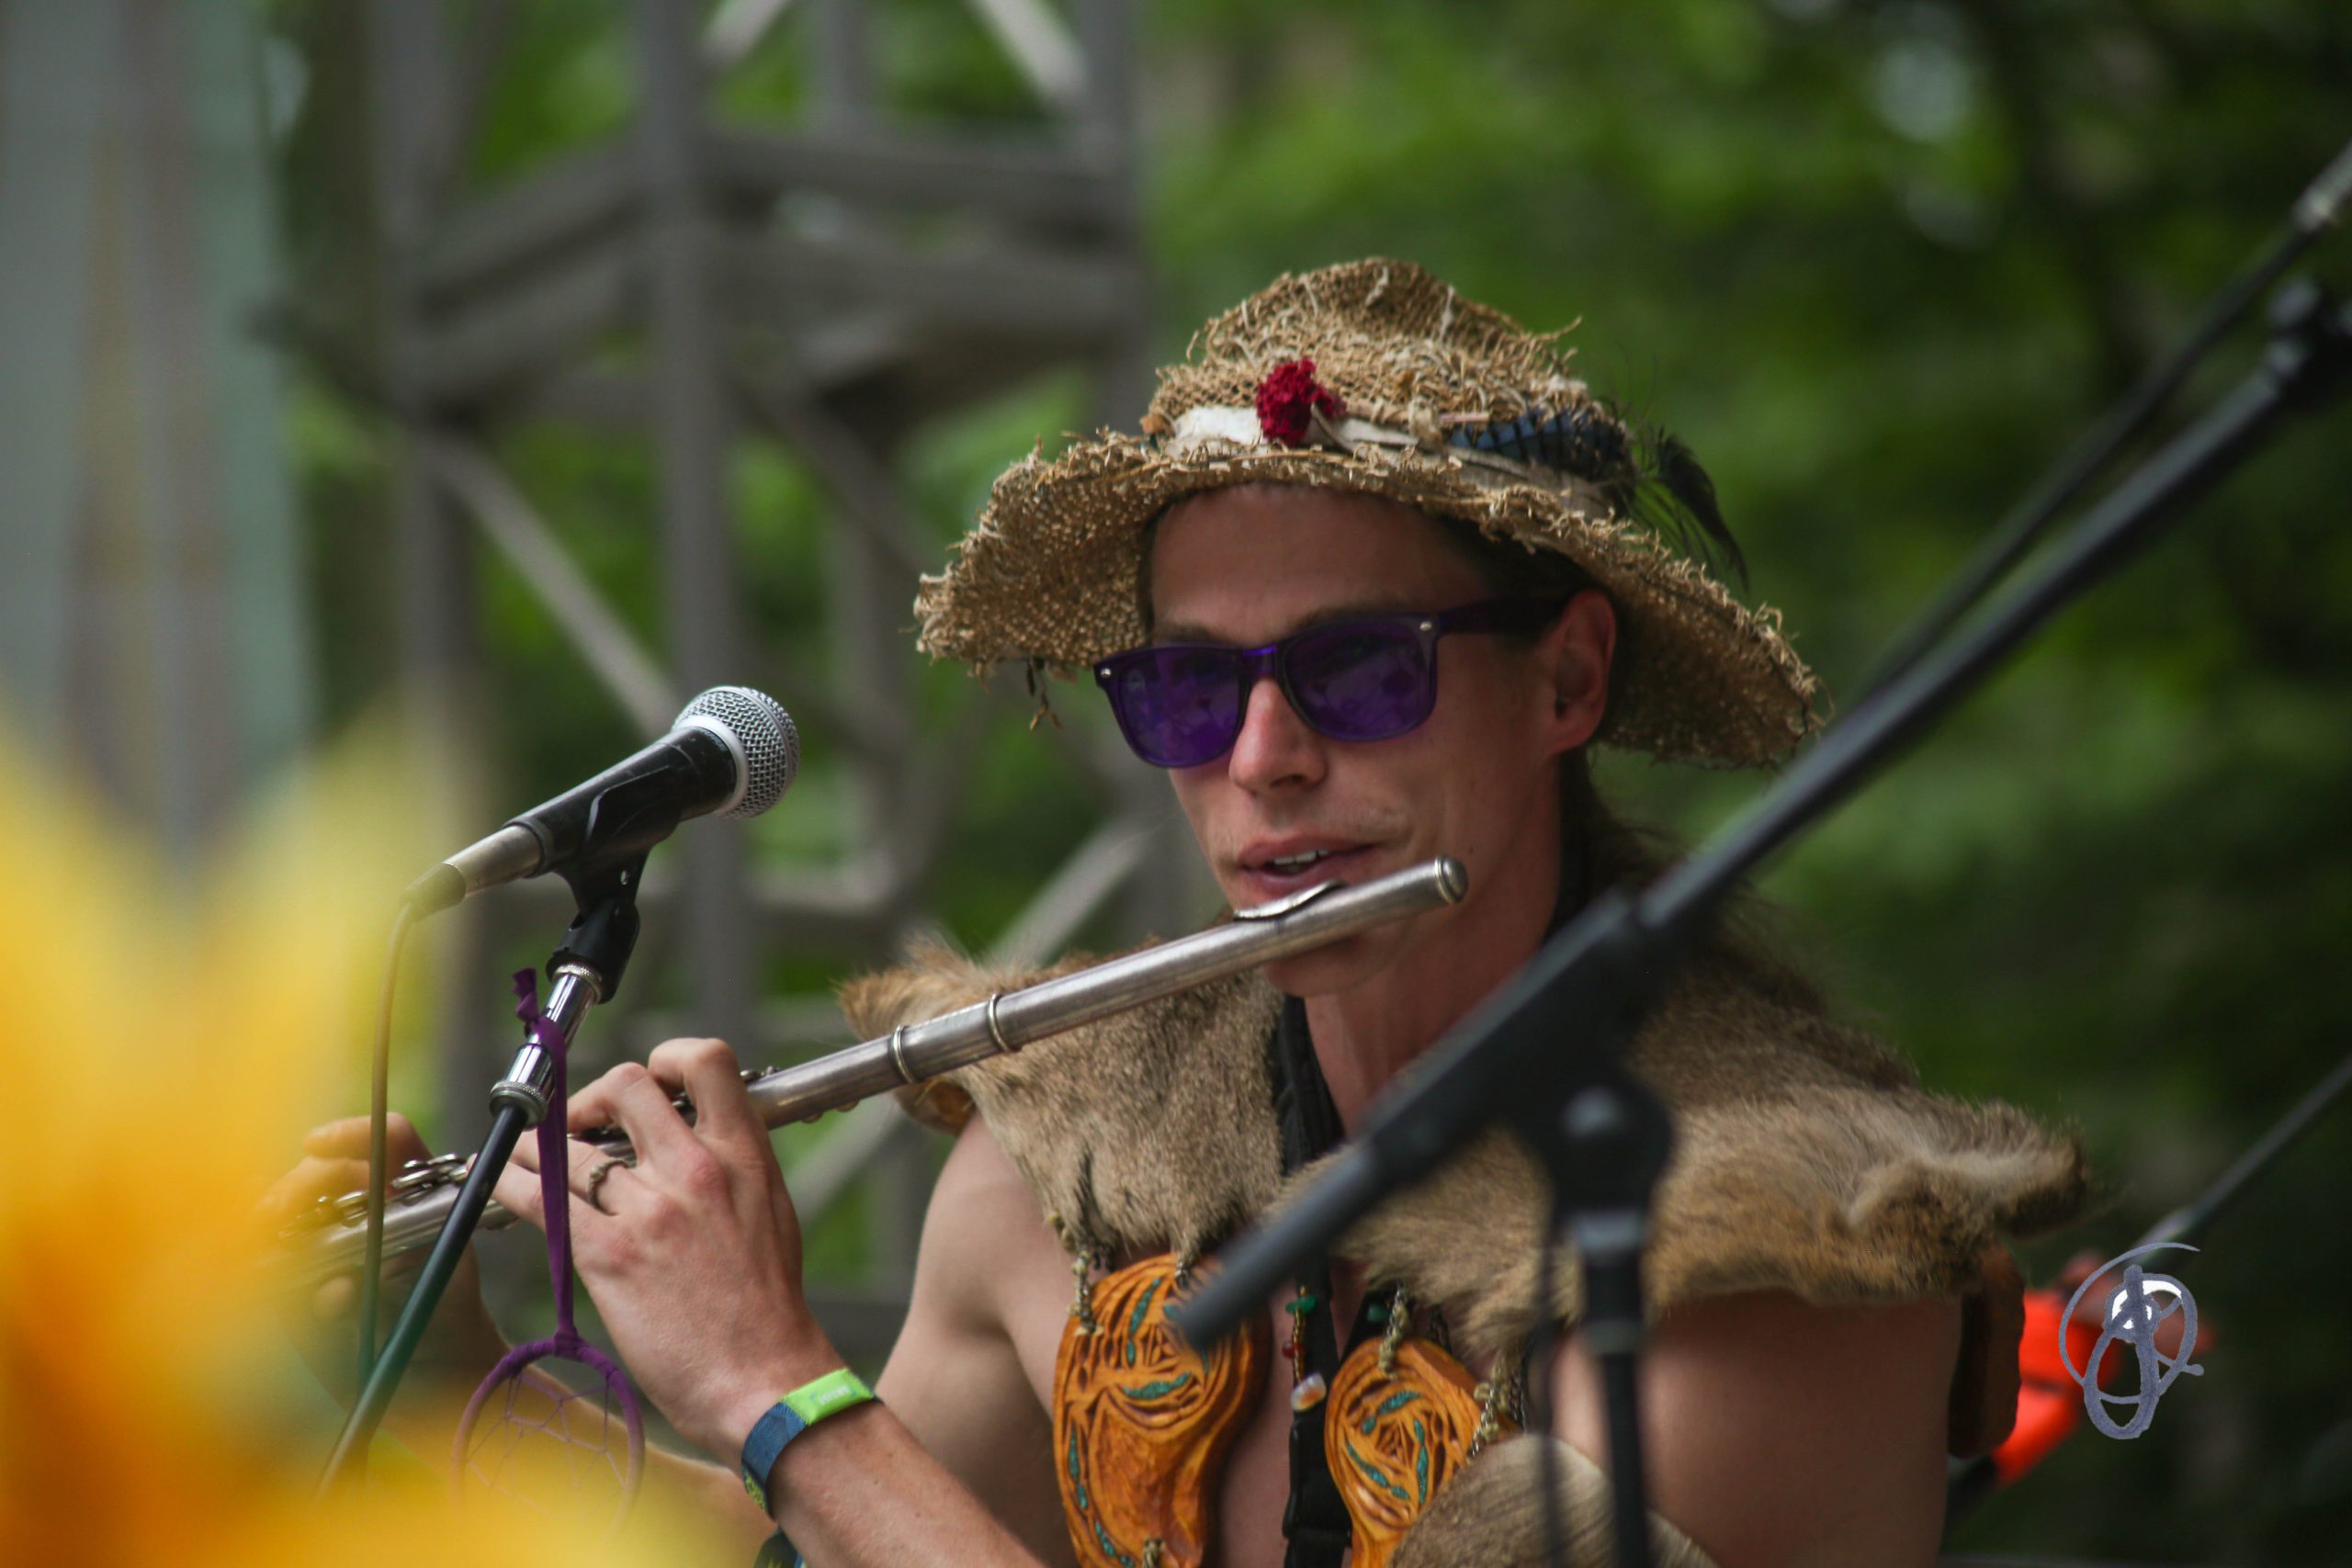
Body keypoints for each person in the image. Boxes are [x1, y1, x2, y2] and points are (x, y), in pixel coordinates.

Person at [278, 259, 2095, 1566]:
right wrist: (447, 1375)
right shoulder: (1068, 1164)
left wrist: (773, 1379)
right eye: (1182, 692)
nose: (1264, 755)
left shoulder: (1771, 1247)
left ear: (1564, 680)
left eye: (1361, 670)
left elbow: (831, 1469)